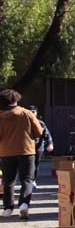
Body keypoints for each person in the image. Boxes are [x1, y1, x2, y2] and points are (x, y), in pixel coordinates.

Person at [0, 89, 43, 220]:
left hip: (6, 152)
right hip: (26, 151)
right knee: (27, 179)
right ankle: (24, 204)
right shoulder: (26, 113)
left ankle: (8, 208)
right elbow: (39, 132)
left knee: (8, 181)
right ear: (16, 100)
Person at [28, 105, 53, 185]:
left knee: (36, 163)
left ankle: (33, 180)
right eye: (30, 112)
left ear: (36, 112)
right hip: (27, 147)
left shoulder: (40, 123)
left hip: (38, 146)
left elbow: (47, 134)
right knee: (27, 164)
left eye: (33, 112)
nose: (32, 114)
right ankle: (28, 180)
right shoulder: (23, 122)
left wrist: (50, 143)